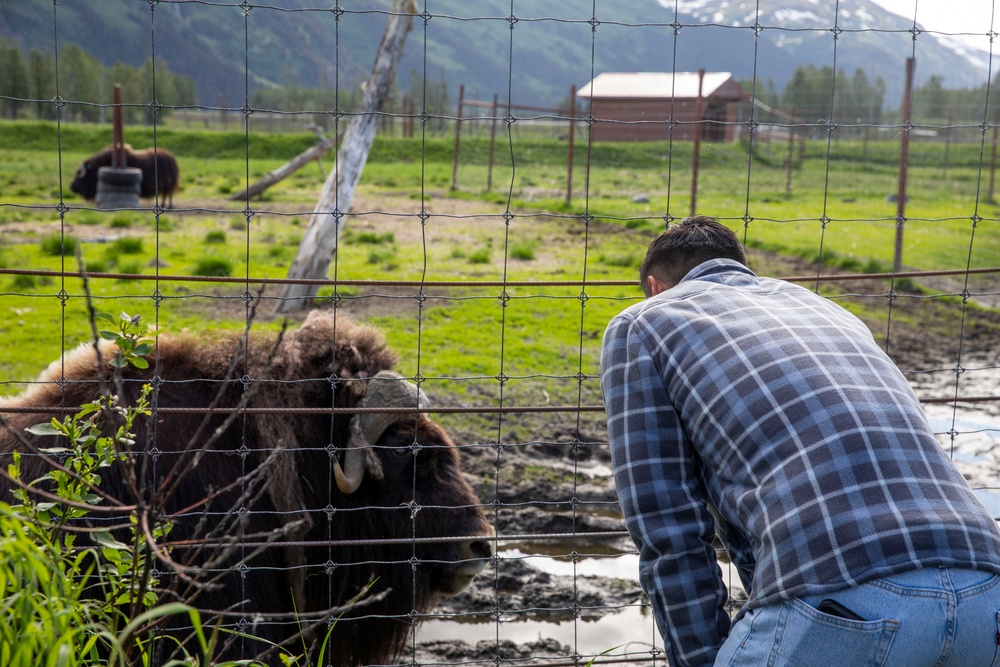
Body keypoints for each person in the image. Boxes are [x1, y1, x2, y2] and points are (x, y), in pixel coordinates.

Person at [600, 215, 1000, 667]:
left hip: (842, 594)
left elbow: (667, 527)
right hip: (986, 587)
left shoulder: (643, 323)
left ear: (654, 286)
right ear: (740, 267)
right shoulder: (826, 309)